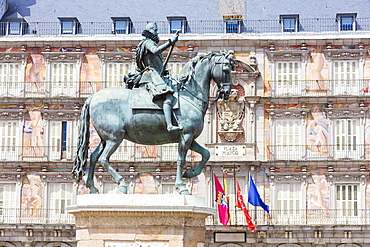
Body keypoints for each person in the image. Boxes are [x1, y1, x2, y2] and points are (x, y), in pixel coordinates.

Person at [135, 22, 182, 132]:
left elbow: (156, 61)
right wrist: (170, 42)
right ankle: (169, 125)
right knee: (169, 96)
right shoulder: (147, 43)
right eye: (155, 30)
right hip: (151, 76)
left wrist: (164, 70)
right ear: (150, 30)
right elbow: (156, 51)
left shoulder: (150, 43)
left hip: (157, 75)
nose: (157, 32)